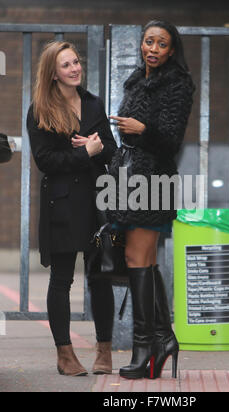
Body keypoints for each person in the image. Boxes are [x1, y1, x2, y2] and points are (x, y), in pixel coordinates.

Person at [108, 20, 195, 379]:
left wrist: (142, 130)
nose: (153, 49)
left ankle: (146, 346)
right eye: (148, 42)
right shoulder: (135, 80)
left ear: (171, 50)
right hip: (128, 179)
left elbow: (172, 140)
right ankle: (159, 340)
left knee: (137, 257)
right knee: (139, 259)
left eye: (161, 44)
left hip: (153, 179)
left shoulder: (178, 84)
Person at [27, 41, 117, 377]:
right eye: (66, 65)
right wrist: (86, 153)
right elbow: (46, 161)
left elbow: (110, 148)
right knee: (61, 279)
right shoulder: (39, 109)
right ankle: (65, 355)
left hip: (96, 203)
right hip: (62, 204)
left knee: (100, 277)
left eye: (76, 62)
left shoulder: (93, 103)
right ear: (53, 73)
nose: (74, 68)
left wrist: (97, 148)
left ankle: (104, 351)